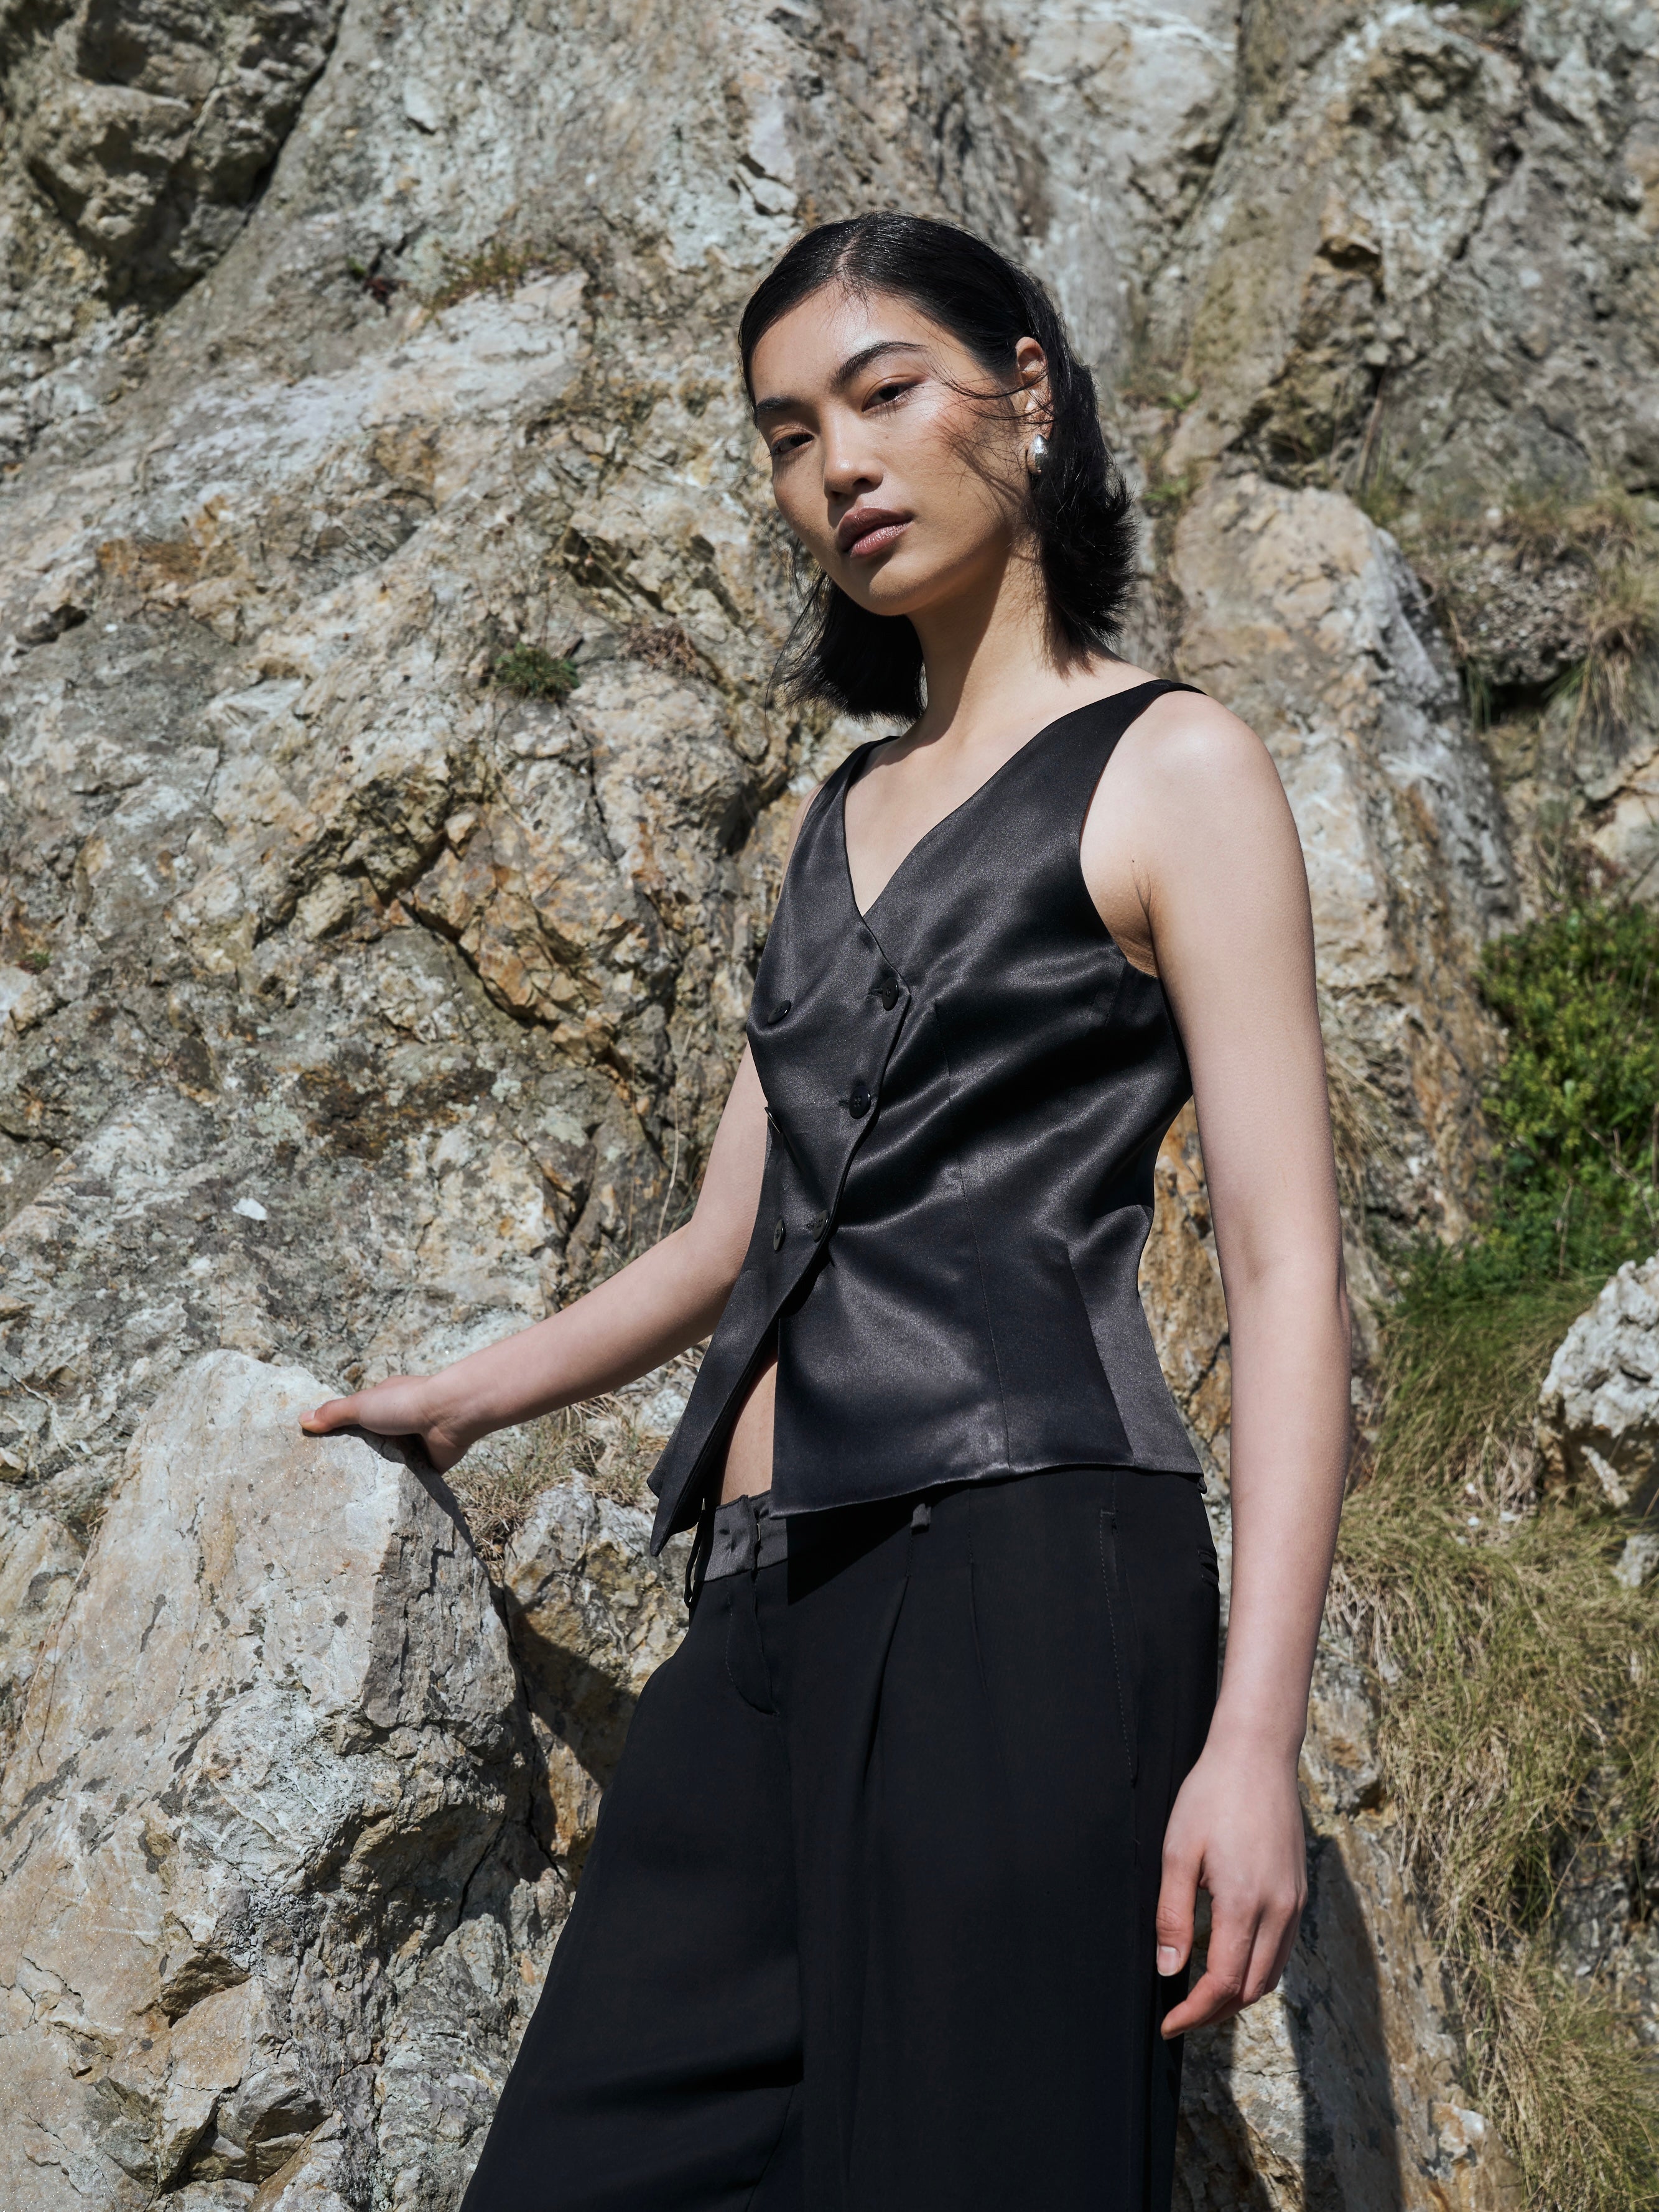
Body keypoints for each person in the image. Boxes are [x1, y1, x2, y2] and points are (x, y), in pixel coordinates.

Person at [302, 211, 1350, 2211]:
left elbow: (1287, 1266)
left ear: (1024, 395)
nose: (838, 466)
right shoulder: (838, 814)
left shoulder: (1176, 766)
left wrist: (1252, 1740)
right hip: (768, 1600)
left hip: (1024, 1579)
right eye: (788, 435)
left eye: (881, 394)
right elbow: (728, 1241)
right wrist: (458, 1397)